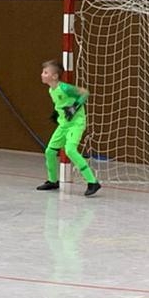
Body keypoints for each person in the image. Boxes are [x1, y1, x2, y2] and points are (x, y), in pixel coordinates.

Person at [36, 59, 101, 196]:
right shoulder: (51, 90)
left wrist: (74, 107)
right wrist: (56, 113)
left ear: (55, 76)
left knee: (70, 150)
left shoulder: (65, 88)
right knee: (50, 151)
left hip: (76, 124)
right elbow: (61, 103)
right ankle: (53, 181)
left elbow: (85, 93)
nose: (42, 74)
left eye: (45, 72)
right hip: (64, 124)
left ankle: (92, 181)